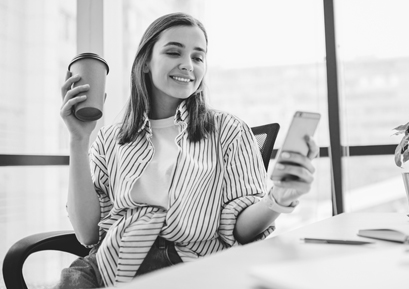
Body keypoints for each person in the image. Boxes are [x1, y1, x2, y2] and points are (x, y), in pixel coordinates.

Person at [57, 12, 318, 288]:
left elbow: (240, 229)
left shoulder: (229, 131)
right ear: (145, 62)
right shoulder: (112, 139)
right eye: (173, 52)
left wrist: (278, 199)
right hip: (110, 264)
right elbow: (87, 234)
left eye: (198, 57)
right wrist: (78, 140)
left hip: (193, 266)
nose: (187, 65)